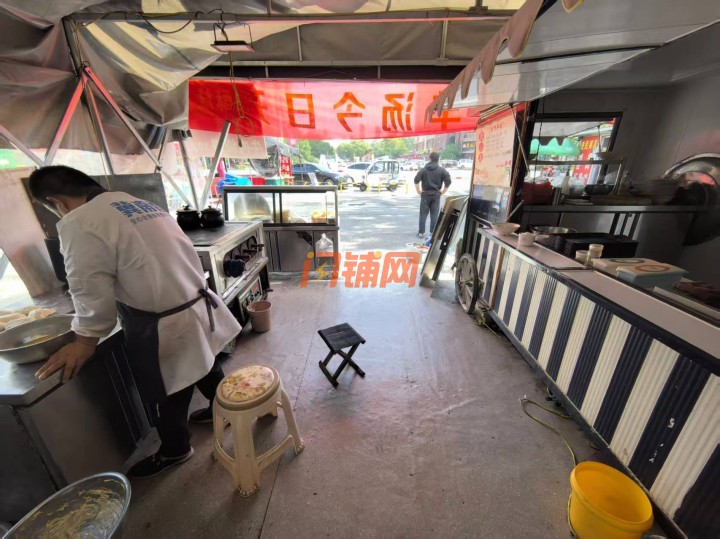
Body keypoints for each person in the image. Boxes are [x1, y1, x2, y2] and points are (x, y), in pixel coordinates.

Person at [28, 166, 241, 479]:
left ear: (56, 202)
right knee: (204, 359)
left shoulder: (80, 221)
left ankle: (175, 449)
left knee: (167, 387)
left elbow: (88, 285)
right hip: (193, 301)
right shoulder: (139, 204)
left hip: (161, 322)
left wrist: (85, 340)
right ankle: (225, 408)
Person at [414, 152, 451, 237]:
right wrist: (443, 191)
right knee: (434, 215)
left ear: (430, 158)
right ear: (438, 159)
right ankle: (432, 233)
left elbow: (416, 180)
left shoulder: (423, 170)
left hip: (425, 195)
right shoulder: (442, 170)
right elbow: (448, 181)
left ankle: (421, 233)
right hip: (436, 195)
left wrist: (418, 191)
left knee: (423, 214)